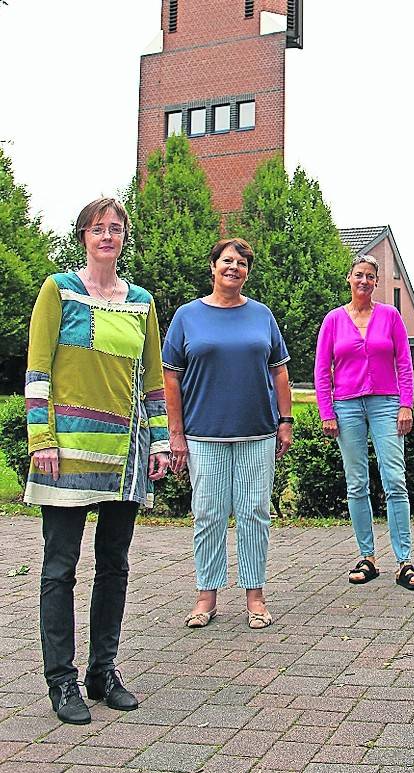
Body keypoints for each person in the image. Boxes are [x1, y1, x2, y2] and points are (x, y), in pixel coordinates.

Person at [25, 197, 170, 725]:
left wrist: (157, 443)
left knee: (114, 566)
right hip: (64, 454)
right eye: (98, 228)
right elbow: (37, 369)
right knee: (59, 568)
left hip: (124, 458)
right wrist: (41, 439)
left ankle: (102, 672)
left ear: (124, 237)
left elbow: (152, 380)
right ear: (83, 235)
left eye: (116, 228)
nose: (107, 236)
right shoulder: (58, 289)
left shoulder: (142, 303)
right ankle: (61, 682)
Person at [162, 238, 292, 631]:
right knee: (209, 515)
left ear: (247, 272)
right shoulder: (187, 316)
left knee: (255, 513)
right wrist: (176, 434)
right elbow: (171, 378)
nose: (234, 267)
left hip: (257, 433)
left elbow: (279, 372)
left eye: (241, 263)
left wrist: (284, 421)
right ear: (213, 266)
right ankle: (207, 597)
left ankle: (255, 597)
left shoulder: (262, 315)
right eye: (227, 261)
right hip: (204, 435)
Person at [314, 255, 414, 591]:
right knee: (356, 482)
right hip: (346, 406)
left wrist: (406, 404)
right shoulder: (333, 320)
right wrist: (326, 412)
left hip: (386, 403)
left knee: (395, 479)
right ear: (349, 278)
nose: (364, 281)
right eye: (358, 275)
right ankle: (367, 557)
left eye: (370, 276)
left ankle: (404, 561)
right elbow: (322, 370)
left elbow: (404, 364)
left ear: (377, 282)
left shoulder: (391, 316)